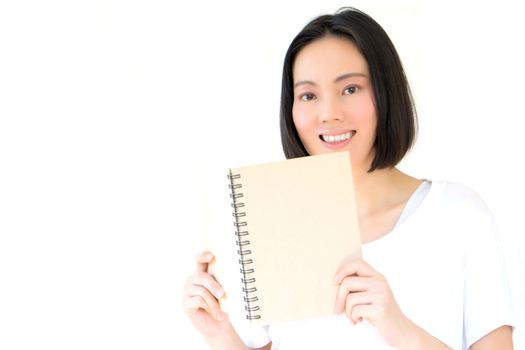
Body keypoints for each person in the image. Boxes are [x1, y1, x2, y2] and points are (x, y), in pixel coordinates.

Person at [182, 7, 514, 350]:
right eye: (309, 96)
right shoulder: (273, 228)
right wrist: (217, 332)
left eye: (351, 89)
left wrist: (396, 326)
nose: (329, 114)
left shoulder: (458, 215)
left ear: (386, 93)